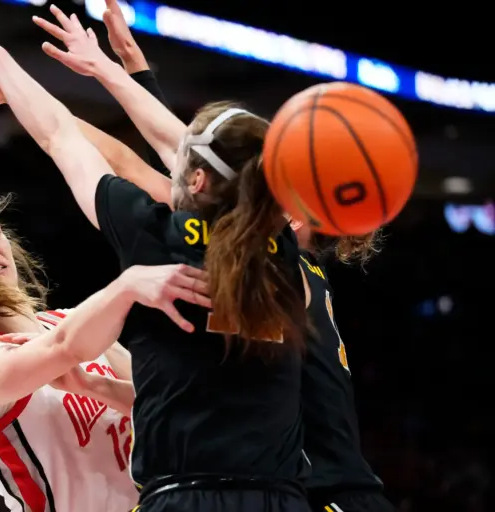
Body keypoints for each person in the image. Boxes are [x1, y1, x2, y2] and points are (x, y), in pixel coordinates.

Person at [0, 3, 311, 511]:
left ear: (196, 181)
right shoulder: (287, 254)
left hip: (187, 494)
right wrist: (116, 69)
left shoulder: (160, 238)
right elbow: (193, 159)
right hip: (282, 498)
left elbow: (61, 138)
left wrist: (4, 62)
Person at [37, 4, 394, 510]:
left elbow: (177, 163)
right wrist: (129, 72)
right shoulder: (281, 266)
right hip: (339, 492)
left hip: (319, 495)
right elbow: (200, 162)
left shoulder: (271, 260)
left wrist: (43, 101)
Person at [0, 192, 211, 511]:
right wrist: (127, 285)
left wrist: (97, 387)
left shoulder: (72, 322)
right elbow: (65, 348)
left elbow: (171, 406)